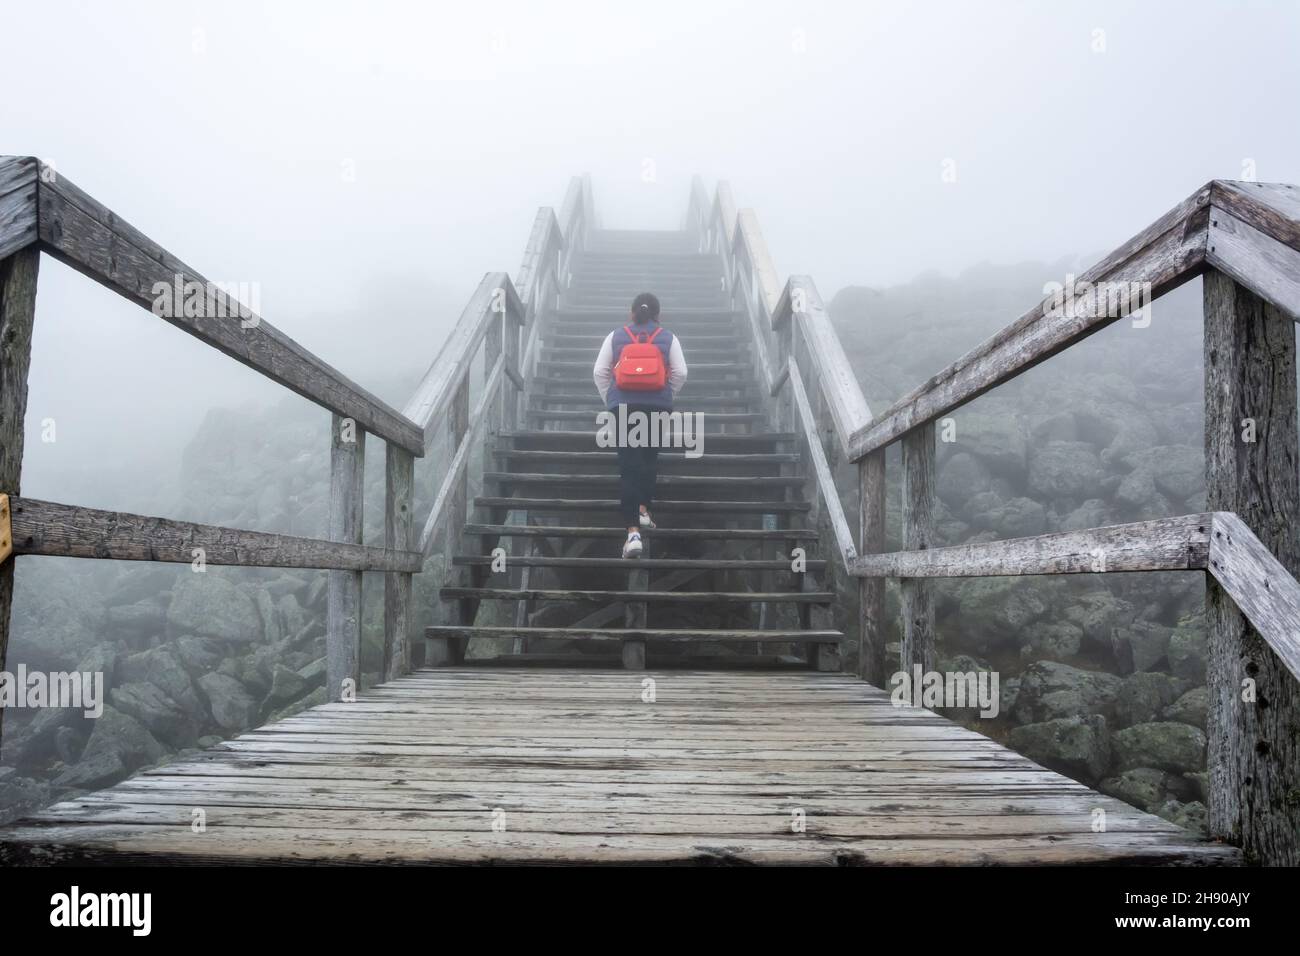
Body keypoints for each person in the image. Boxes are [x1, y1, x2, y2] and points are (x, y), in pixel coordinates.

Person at [592, 292, 688, 558]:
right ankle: (643, 509)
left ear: (631, 312)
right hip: (657, 407)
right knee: (648, 459)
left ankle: (633, 532)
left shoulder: (615, 336)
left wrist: (610, 400)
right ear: (658, 315)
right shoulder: (668, 338)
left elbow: (599, 371)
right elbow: (681, 372)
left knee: (629, 467)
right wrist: (667, 396)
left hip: (623, 408)